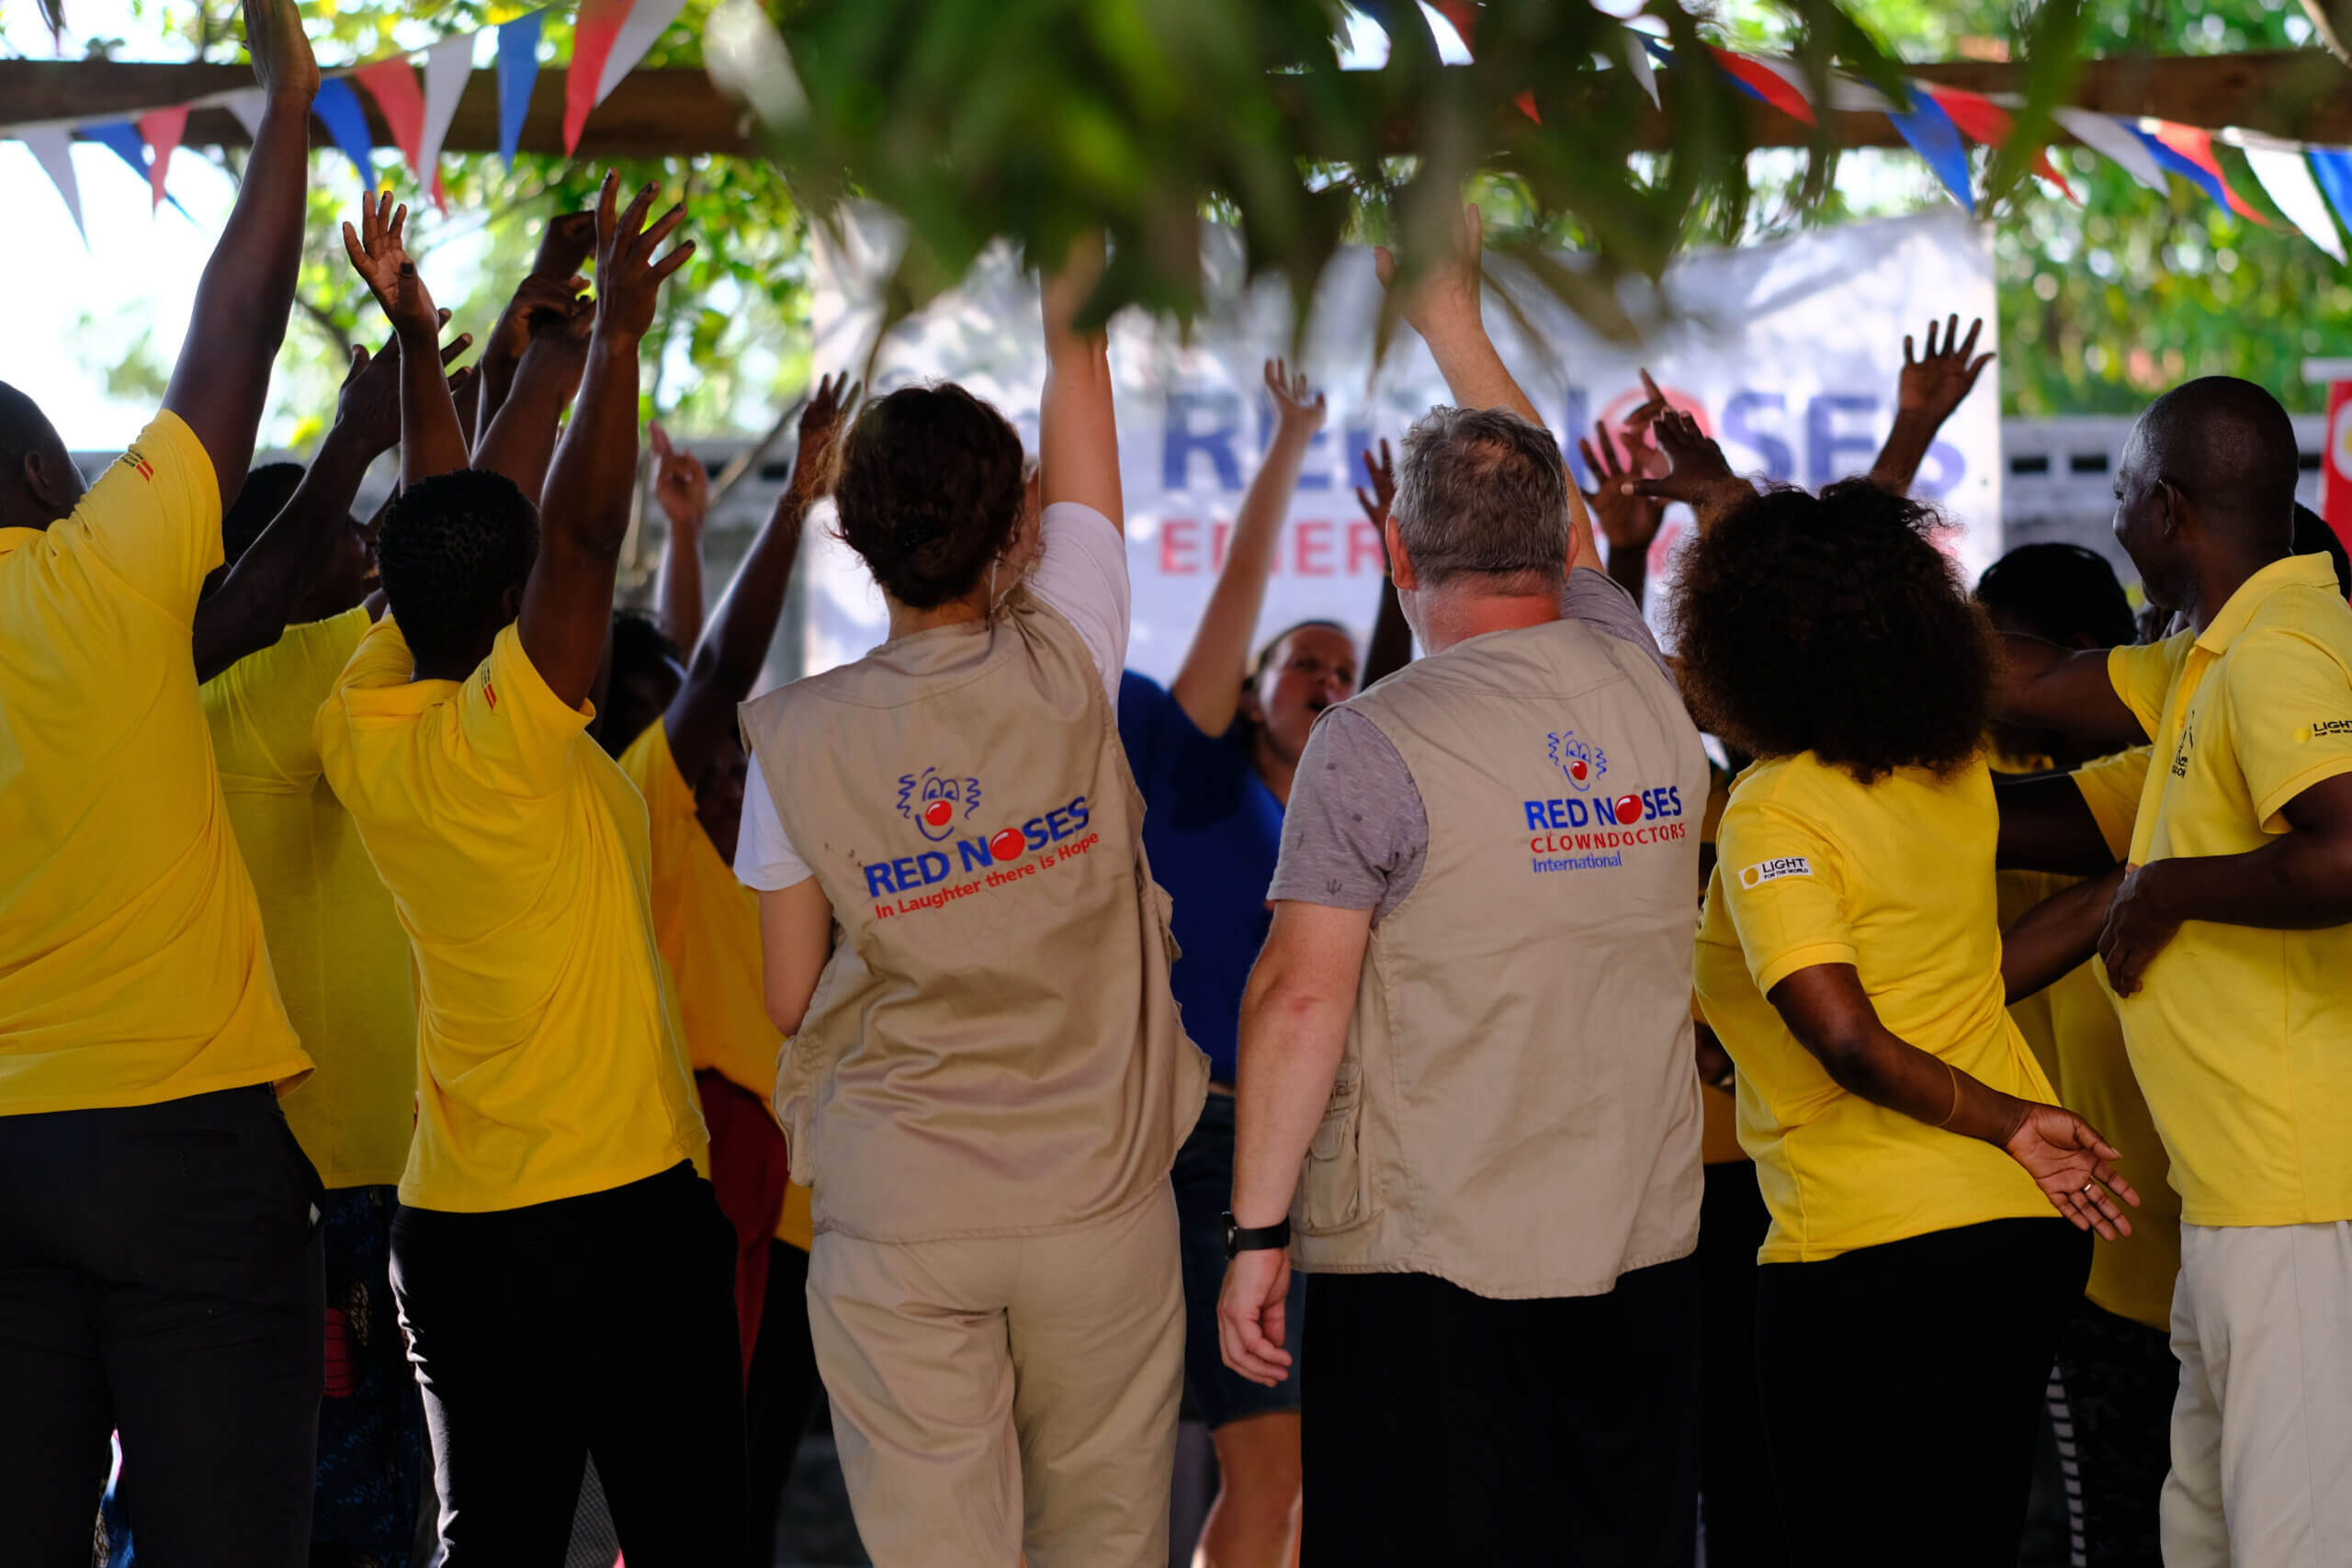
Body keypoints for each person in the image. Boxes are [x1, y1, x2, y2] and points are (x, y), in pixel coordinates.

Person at [1215, 204, 1708, 1564]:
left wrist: (1258, 1229)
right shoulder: (1636, 673)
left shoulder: (1372, 739)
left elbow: (1297, 999)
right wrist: (1453, 319)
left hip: (1436, 1267)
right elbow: (1582, 559)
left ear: (1391, 551)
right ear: (1558, 545)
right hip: (1644, 1244)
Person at [735, 233, 1206, 1567]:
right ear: (1023, 527)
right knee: (1106, 1543)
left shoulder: (796, 740)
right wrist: (1077, 265)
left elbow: (784, 996)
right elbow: (1083, 380)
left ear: (844, 525)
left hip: (898, 1211)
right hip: (1097, 1198)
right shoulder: (1073, 650)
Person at [315, 175, 742, 1563]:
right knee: (689, 1539)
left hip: (454, 1233)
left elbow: (460, 520)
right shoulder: (513, 728)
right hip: (616, 1213)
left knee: (488, 1544)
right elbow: (569, 534)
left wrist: (449, 334)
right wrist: (609, 341)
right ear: (517, 617)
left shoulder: (367, 715)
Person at [1637, 403, 2141, 1566]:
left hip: (1871, 1250)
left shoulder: (1777, 803)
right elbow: (1969, 978)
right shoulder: (1951, 780)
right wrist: (2137, 886)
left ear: (1739, 642)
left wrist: (2017, 1121)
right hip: (2012, 1236)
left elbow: (1849, 1041)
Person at [0, 6, 324, 1561]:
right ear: (42, 482)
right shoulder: (104, 573)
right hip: (183, 1153)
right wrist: (294, 105)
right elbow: (241, 327)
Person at [1992, 376, 2352, 1568]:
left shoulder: (2282, 650)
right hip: (2229, 1194)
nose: (2112, 520)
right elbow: (2031, 681)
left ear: (2175, 508)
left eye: (2124, 493)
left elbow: (2346, 847)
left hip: (2295, 1194)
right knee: (2200, 1529)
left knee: (2287, 1540)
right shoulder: (2210, 653)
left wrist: (2170, 886)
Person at [612, 375, 855, 1566]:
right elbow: (704, 669)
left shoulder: (759, 825)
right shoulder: (640, 826)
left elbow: (690, 668)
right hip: (715, 1208)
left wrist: (684, 535)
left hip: (805, 1211)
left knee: (743, 1506)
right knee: (706, 1507)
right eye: (683, 739)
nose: (711, 752)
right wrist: (795, 501)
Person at [1113, 358, 1348, 1568]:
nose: (1328, 679)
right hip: (1185, 1148)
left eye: (1348, 669)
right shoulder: (1197, 786)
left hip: (1289, 1161)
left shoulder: (1356, 840)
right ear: (1254, 694)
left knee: (1283, 1482)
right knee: (1264, 1472)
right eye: (1303, 660)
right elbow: (1239, 588)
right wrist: (1292, 439)